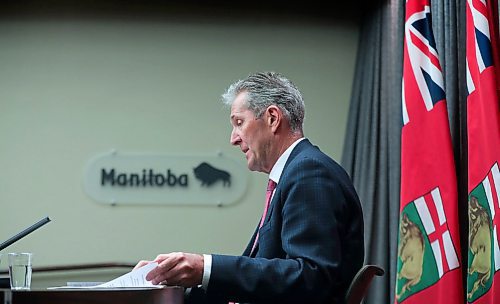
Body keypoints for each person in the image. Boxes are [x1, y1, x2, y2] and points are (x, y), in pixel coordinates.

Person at [135, 71, 364, 304]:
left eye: (239, 122)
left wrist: (205, 268)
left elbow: (310, 277)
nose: (233, 139)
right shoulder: (295, 172)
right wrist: (178, 280)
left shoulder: (309, 173)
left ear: (272, 118)